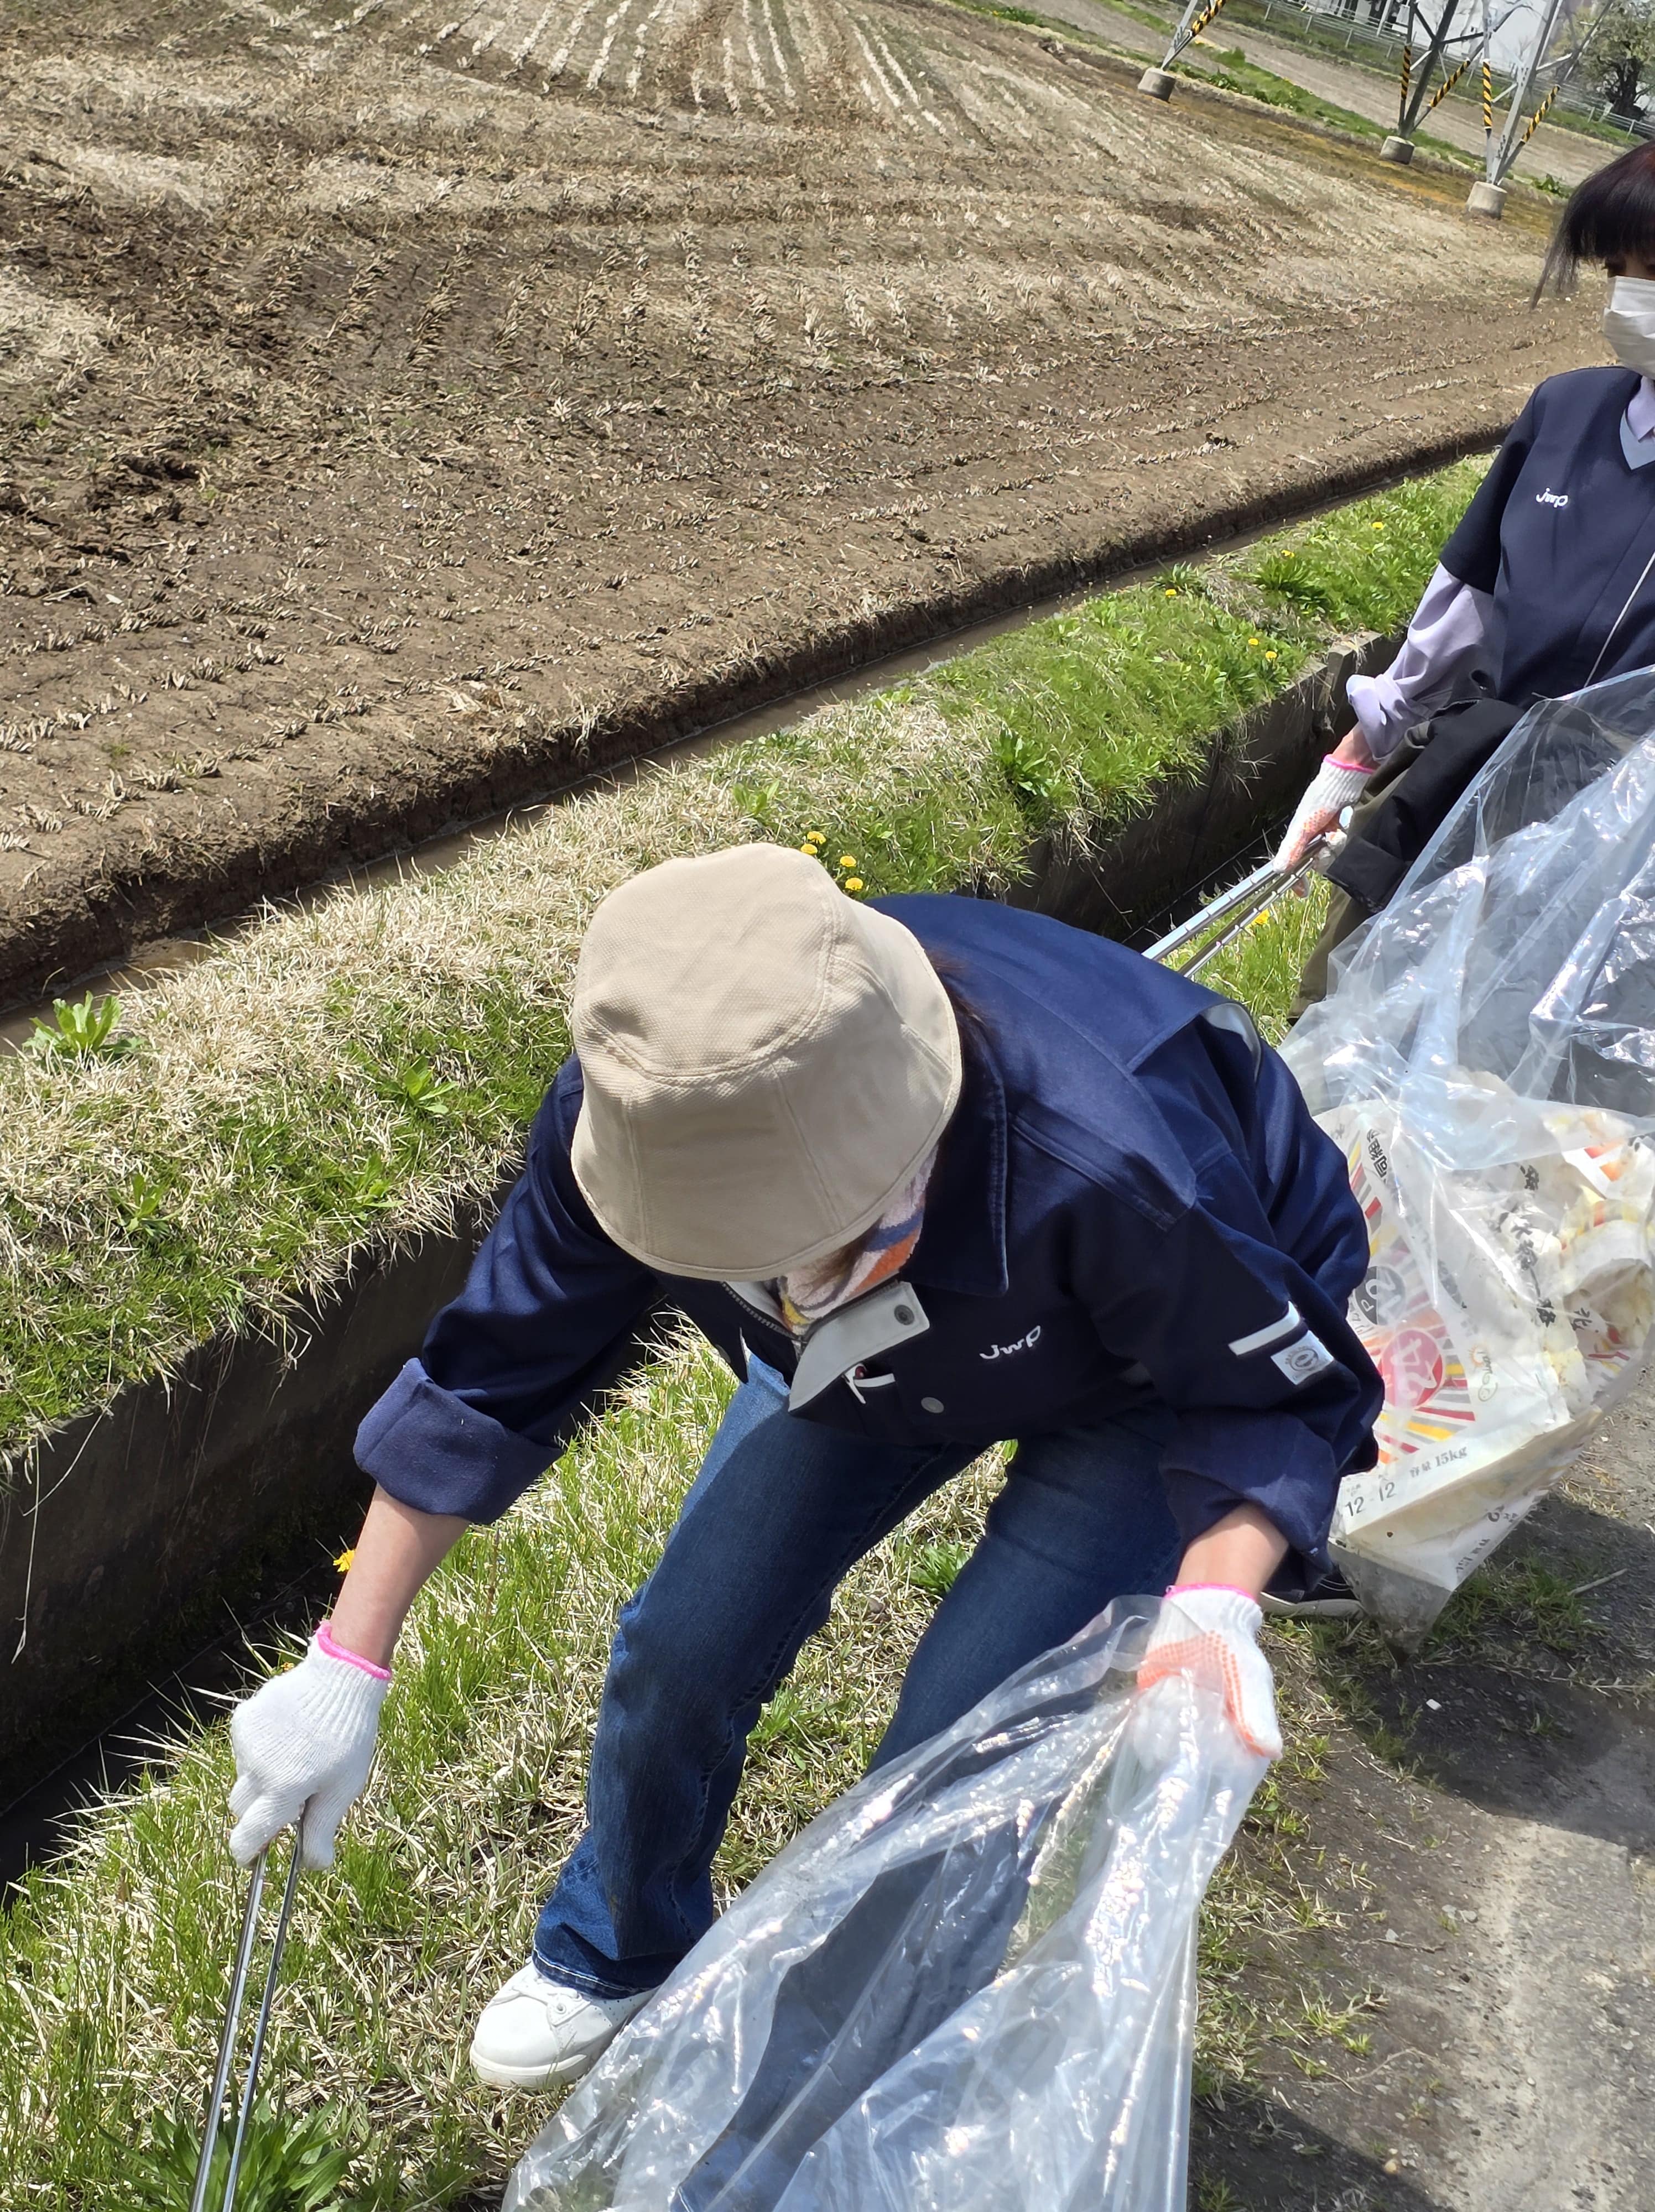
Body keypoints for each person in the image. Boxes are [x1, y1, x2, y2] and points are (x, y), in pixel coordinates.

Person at [225, 842, 1381, 2091]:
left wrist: (1211, 1607)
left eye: (824, 1245)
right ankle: (620, 1942)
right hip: (858, 1362)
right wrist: (344, 1663)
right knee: (682, 1646)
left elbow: (1269, 1394)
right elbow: (491, 1371)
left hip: (1145, 1379)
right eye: (745, 1260)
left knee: (957, 1754)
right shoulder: (650, 1107)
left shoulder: (1116, 1156)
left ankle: (824, 2082)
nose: (787, 1286)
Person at [1278, 138, 1655, 1002]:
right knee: (1347, 1009)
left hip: (1621, 847)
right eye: (1617, 272)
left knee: (1520, 1059)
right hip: (1468, 778)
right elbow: (1462, 611)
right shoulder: (1566, 410)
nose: (1633, 298)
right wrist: (1353, 761)